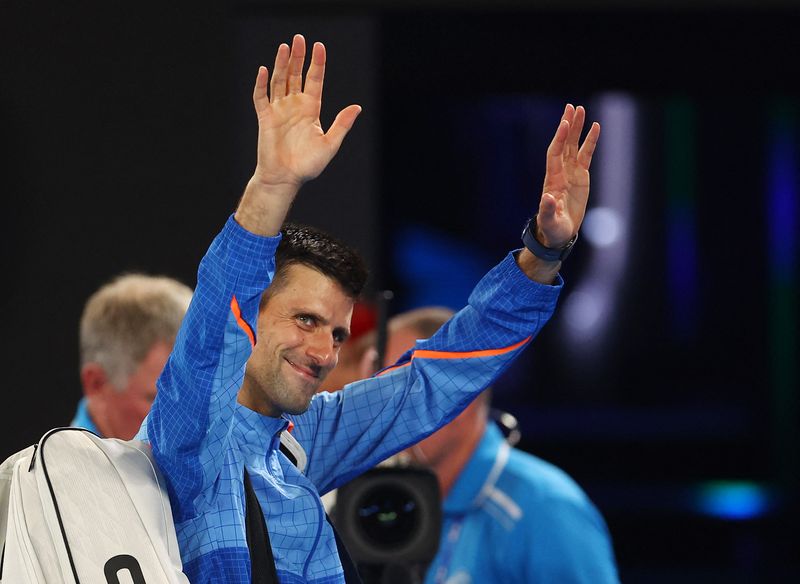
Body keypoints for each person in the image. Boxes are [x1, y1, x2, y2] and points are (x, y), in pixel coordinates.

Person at [136, 33, 600, 583]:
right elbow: (214, 326)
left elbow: (438, 376)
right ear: (249, 320)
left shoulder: (299, 443)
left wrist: (543, 254)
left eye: (336, 333)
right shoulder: (189, 442)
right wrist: (273, 186)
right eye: (305, 320)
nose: (323, 352)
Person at [380, 307, 620, 584]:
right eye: (383, 392)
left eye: (408, 390)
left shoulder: (544, 506)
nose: (389, 413)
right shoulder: (399, 504)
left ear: (466, 395)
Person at [72, 273, 193, 439]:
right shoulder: (49, 464)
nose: (192, 425)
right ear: (96, 384)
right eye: (163, 401)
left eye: (198, 395)